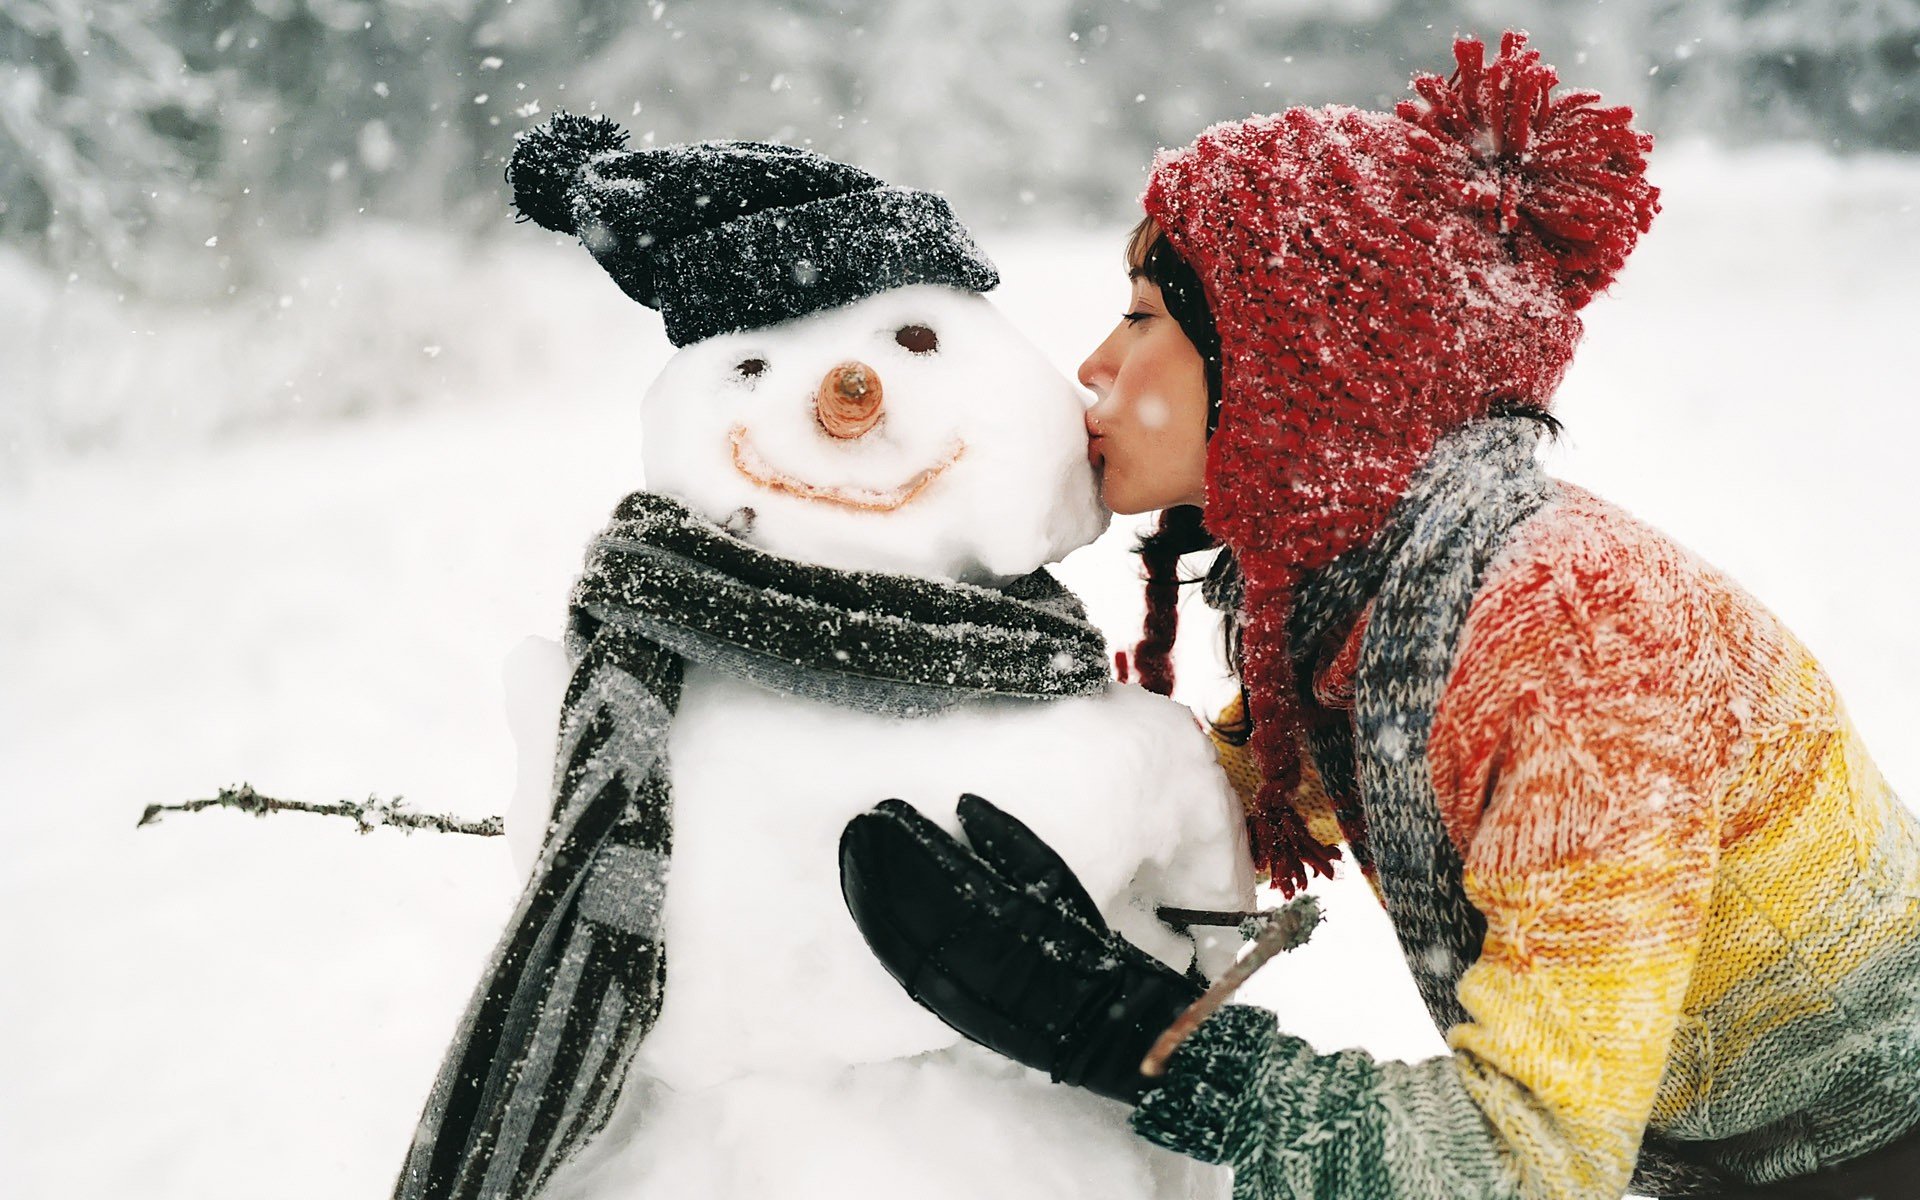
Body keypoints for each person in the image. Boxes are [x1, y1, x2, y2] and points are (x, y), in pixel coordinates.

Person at [837, 30, 1920, 1200]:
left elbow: (1523, 1165)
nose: (1093, 367)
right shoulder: (1367, 603)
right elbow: (1235, 798)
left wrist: (1133, 1040)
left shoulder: (1573, 637)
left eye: (1146, 315)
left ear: (1294, 364)